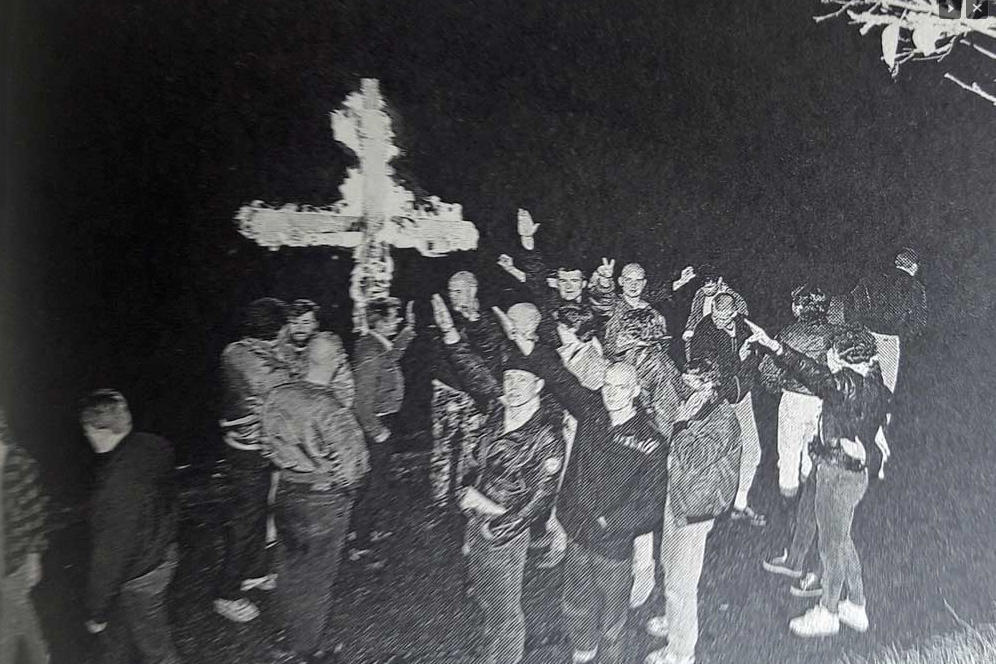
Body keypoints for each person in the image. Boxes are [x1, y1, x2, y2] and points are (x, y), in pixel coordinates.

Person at [432, 294, 565, 664]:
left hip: (504, 531)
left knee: (505, 609)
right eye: (508, 378)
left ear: (539, 385)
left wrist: (497, 525)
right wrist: (449, 333)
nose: (513, 386)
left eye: (523, 379)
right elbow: (474, 370)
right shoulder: (498, 409)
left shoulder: (546, 437)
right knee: (485, 597)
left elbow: (540, 498)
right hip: (475, 522)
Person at [524, 346, 668, 664]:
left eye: (620, 387)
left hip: (613, 546)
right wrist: (530, 345)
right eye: (607, 385)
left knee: (613, 620)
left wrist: (609, 522)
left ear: (635, 391)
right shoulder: (591, 413)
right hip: (578, 535)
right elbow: (561, 381)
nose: (612, 394)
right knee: (576, 602)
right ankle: (583, 652)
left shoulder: (651, 441)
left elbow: (651, 504)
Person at [746, 322, 891, 637]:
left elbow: (809, 372)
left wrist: (775, 346)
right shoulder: (878, 388)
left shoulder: (842, 384)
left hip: (835, 474)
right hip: (853, 475)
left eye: (832, 353)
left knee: (830, 546)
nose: (827, 357)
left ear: (840, 358)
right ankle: (856, 604)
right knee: (842, 539)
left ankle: (828, 611)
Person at [261, 334, 370, 664]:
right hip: (323, 500)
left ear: (305, 358)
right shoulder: (331, 407)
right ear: (338, 361)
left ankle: (281, 636)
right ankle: (306, 649)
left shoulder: (277, 395)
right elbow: (355, 465)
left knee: (287, 565)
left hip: (285, 493)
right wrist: (346, 491)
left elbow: (267, 448)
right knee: (317, 577)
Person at [644, 359, 741, 664]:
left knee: (681, 583)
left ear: (710, 387)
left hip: (695, 510)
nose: (684, 389)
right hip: (679, 500)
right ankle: (675, 620)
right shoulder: (701, 407)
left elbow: (694, 457)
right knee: (668, 566)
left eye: (691, 384)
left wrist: (680, 422)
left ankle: (681, 651)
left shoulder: (722, 419)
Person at [79, 390, 180, 664]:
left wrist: (95, 611)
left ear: (97, 430)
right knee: (129, 631)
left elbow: (110, 555)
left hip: (140, 574)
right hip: (164, 553)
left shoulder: (115, 486)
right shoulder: (154, 445)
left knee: (156, 647)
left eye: (87, 429)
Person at [215, 297, 293, 623]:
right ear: (276, 330)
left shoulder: (235, 351)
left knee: (260, 513)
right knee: (245, 522)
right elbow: (286, 388)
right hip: (251, 453)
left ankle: (256, 571)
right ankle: (226, 593)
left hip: (245, 447)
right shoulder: (264, 369)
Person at [430, 271, 505, 511]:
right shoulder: (445, 321)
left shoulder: (485, 320)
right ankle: (441, 498)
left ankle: (466, 496)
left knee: (472, 449)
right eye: (450, 290)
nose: (453, 296)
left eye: (458, 291)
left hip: (477, 397)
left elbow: (488, 355)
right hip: (449, 395)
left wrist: (473, 320)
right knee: (444, 448)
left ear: (473, 290)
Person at [349, 298, 415, 567]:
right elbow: (360, 403)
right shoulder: (370, 352)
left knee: (372, 483)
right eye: (394, 319)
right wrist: (378, 433)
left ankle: (358, 530)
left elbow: (391, 357)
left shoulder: (375, 345)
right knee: (376, 486)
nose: (396, 321)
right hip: (375, 426)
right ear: (380, 321)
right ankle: (360, 545)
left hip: (380, 423)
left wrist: (408, 330)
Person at [689, 293, 765, 526]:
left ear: (733, 312)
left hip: (742, 397)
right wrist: (738, 359)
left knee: (753, 450)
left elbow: (758, 353)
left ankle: (740, 504)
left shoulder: (743, 325)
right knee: (716, 454)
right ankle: (705, 510)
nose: (718, 321)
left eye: (723, 317)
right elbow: (711, 372)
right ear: (712, 308)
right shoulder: (704, 331)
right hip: (719, 402)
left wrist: (750, 363)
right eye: (715, 315)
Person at [758, 284, 840, 499]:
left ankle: (788, 495)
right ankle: (808, 488)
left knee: (788, 449)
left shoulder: (788, 333)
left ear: (801, 308)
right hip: (822, 402)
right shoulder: (835, 333)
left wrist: (776, 389)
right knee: (812, 445)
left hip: (793, 399)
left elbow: (769, 369)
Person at [496, 209, 615, 346]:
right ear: (556, 283)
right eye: (563, 281)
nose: (568, 286)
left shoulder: (592, 305)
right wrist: (527, 239)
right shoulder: (549, 303)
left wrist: (605, 281)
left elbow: (604, 304)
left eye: (574, 281)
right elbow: (536, 275)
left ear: (583, 284)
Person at [0, 408, 51, 664]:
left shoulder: (18, 461)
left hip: (14, 562)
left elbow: (35, 512)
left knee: (13, 625)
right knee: (18, 620)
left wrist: (34, 556)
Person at [844, 247, 927, 395]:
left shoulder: (873, 279)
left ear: (897, 263)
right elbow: (919, 322)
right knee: (887, 387)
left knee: (863, 382)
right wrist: (906, 338)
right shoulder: (916, 287)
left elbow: (851, 303)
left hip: (866, 338)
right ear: (914, 267)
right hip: (891, 341)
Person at [277, 299, 356, 398]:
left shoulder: (325, 346)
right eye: (294, 323)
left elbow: (314, 391)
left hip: (331, 404)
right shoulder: (283, 348)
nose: (300, 328)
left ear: (316, 324)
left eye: (306, 323)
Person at [602, 263, 671, 360]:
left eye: (638, 280)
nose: (633, 285)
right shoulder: (612, 306)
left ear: (644, 283)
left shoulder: (653, 313)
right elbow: (601, 300)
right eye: (628, 279)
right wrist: (605, 283)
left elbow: (662, 342)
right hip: (616, 364)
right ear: (621, 281)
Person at [682, 265, 749, 346]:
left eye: (710, 287)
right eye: (704, 288)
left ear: (719, 281)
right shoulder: (700, 294)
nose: (707, 290)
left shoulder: (730, 294)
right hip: (705, 331)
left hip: (724, 333)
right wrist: (689, 329)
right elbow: (694, 313)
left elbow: (743, 312)